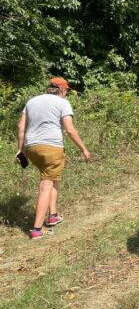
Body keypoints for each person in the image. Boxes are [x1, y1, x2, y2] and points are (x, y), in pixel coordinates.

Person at [17, 77, 92, 239]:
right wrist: (84, 149)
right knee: (46, 185)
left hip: (32, 148)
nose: (66, 94)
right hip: (52, 148)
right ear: (62, 90)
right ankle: (37, 229)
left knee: (52, 178)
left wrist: (20, 150)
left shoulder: (32, 101)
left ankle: (53, 215)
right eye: (67, 91)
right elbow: (70, 130)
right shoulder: (62, 103)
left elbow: (21, 126)